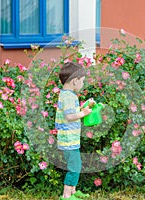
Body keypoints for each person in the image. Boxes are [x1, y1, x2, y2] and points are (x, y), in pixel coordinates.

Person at [55, 62, 92, 200]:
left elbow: (71, 112)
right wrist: (83, 113)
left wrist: (82, 109)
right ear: (75, 81)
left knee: (76, 165)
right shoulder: (69, 97)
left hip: (70, 139)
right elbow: (69, 116)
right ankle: (66, 195)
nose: (83, 84)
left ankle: (73, 191)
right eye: (82, 81)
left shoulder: (66, 95)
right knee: (74, 167)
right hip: (68, 140)